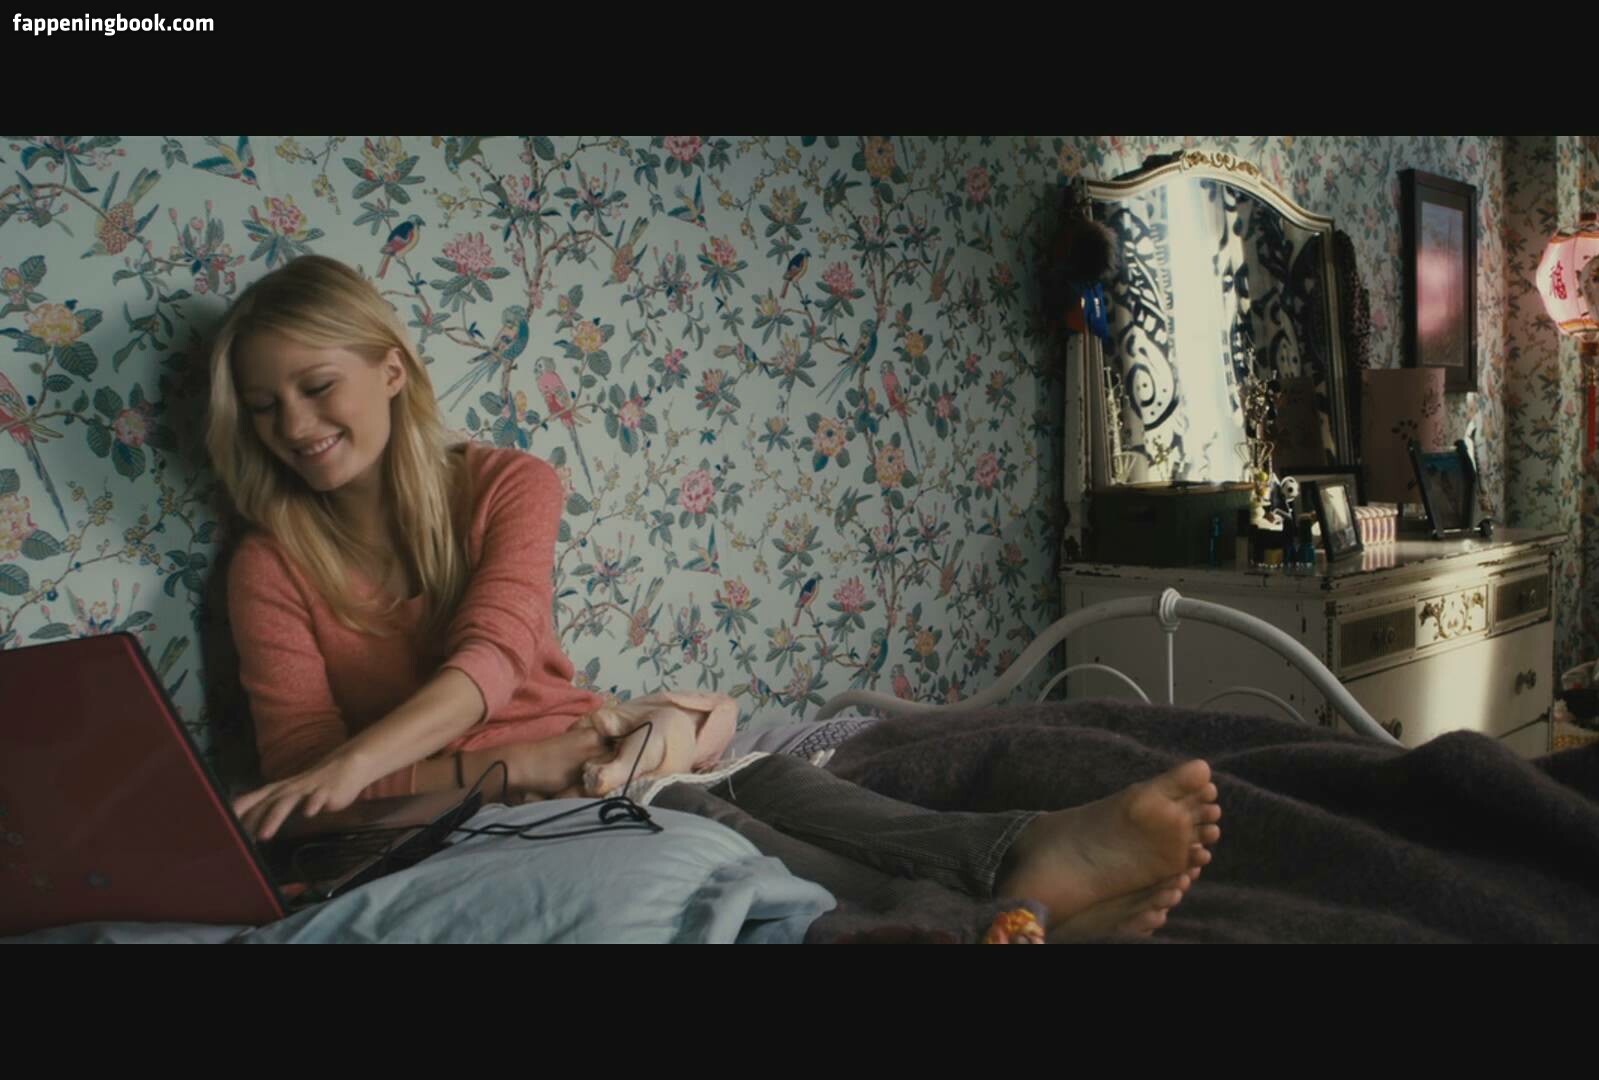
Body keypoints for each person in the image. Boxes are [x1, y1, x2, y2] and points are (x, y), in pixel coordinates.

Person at [208, 256, 1221, 940]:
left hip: (587, 750)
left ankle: (1022, 861)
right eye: (263, 408)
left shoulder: (506, 484)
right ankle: (991, 909)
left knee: (753, 779)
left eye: (315, 386)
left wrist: (579, 747)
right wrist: (516, 767)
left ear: (391, 371)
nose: (293, 425)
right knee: (699, 813)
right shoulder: (271, 565)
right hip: (476, 801)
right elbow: (311, 793)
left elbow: (493, 658)